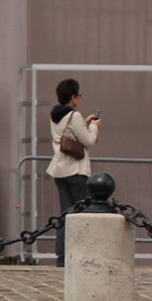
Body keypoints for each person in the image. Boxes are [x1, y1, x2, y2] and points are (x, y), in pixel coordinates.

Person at [47, 77, 100, 267]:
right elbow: (88, 141)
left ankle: (61, 257)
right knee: (82, 214)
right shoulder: (74, 115)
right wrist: (93, 126)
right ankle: (82, 255)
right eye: (78, 96)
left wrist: (84, 123)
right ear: (73, 97)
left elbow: (68, 134)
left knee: (65, 215)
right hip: (76, 171)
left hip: (60, 170)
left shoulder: (55, 115)